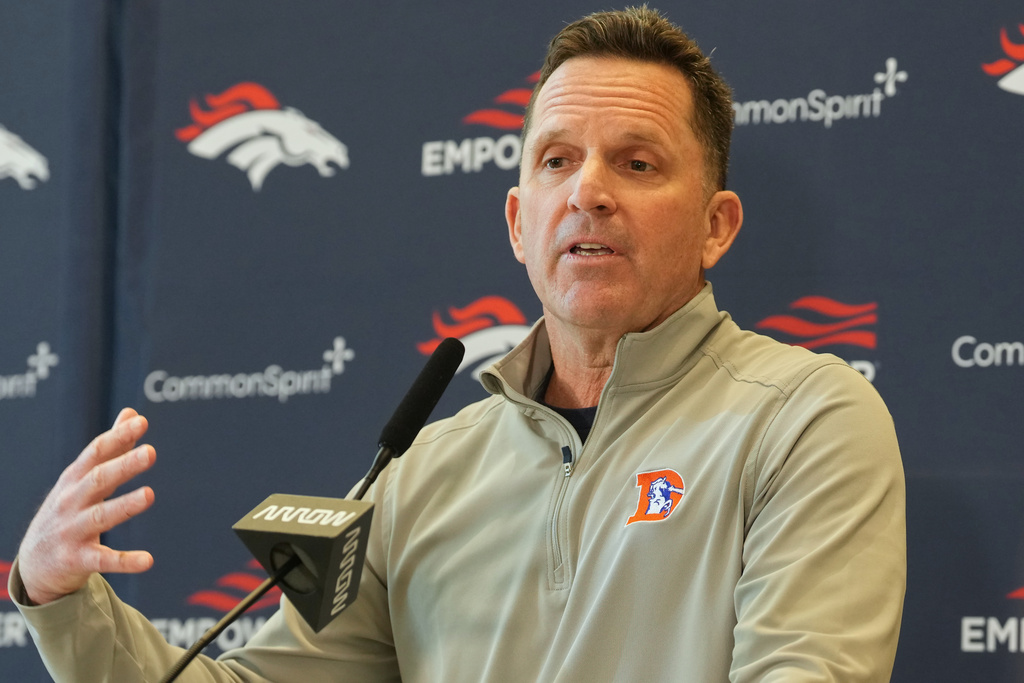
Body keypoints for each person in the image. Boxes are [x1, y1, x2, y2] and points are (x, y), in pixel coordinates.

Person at [10, 7, 906, 681]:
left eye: (637, 163)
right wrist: (59, 600)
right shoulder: (423, 468)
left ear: (717, 227)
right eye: (556, 160)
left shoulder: (807, 419)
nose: (587, 191)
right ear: (520, 223)